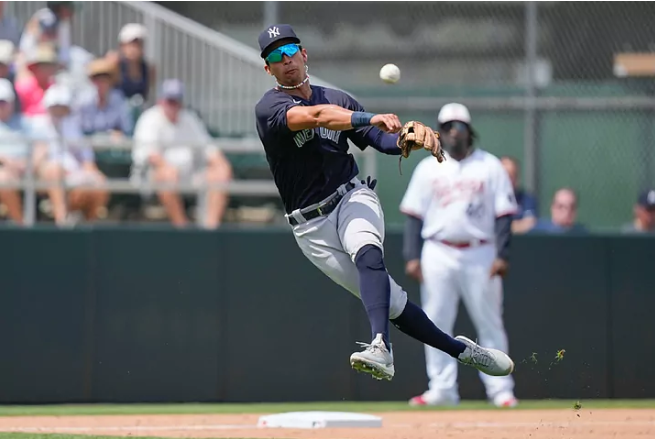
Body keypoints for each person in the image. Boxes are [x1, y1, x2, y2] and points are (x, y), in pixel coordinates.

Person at [253, 24, 515, 382]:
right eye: (275, 57)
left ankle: (380, 346)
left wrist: (409, 139)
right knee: (392, 303)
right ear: (268, 69)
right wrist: (368, 117)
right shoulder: (270, 106)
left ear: (304, 54)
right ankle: (462, 350)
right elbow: (313, 117)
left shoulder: (339, 99)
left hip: (350, 196)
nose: (286, 61)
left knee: (366, 251)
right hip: (311, 228)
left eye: (290, 51)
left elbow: (381, 140)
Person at [400, 103, 518, 407]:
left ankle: (501, 390)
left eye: (459, 126)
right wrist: (412, 256)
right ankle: (442, 389)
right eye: (448, 126)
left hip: (480, 251)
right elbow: (413, 215)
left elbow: (504, 214)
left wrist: (502, 254)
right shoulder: (427, 167)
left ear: (469, 130)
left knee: (489, 321)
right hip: (438, 250)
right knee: (435, 322)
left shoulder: (490, 166)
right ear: (439, 131)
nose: (454, 131)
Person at [131, 79, 232, 229]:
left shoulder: (189, 118)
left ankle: (211, 230)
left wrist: (221, 164)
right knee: (166, 176)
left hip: (187, 174)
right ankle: (182, 229)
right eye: (169, 100)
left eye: (176, 100)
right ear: (161, 100)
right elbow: (150, 156)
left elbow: (208, 149)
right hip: (152, 177)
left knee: (220, 173)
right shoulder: (149, 118)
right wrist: (167, 168)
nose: (173, 105)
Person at [30, 83, 109, 226]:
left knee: (100, 182)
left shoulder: (73, 127)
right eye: (55, 106)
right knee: (54, 169)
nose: (59, 110)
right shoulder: (36, 126)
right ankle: (62, 220)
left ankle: (89, 226)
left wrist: (90, 175)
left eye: (62, 107)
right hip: (45, 177)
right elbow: (34, 163)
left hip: (74, 175)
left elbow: (88, 161)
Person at [0, 78, 31, 224]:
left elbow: (41, 146)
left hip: (28, 169)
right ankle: (21, 225)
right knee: (3, 179)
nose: (0, 106)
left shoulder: (26, 122)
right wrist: (6, 161)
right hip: (5, 170)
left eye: (3, 102)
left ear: (12, 102)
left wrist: (28, 163)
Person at [500, 156, 538, 234]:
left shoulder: (527, 199)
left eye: (511, 176)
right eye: (504, 176)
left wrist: (504, 227)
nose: (507, 180)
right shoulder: (489, 200)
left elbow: (529, 224)